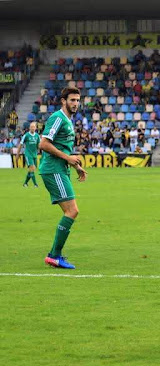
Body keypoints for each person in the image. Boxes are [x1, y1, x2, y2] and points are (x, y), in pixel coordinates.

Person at [38, 87, 88, 269]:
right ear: (63, 101)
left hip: (61, 169)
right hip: (54, 170)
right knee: (72, 211)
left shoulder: (67, 120)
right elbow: (43, 143)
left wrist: (76, 166)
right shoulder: (58, 118)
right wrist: (68, 158)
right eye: (72, 100)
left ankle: (55, 254)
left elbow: (63, 148)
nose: (75, 103)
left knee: (71, 211)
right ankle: (54, 255)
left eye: (77, 100)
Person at [17, 121, 40, 187]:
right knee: (32, 168)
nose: (32, 128)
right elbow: (20, 144)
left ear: (35, 128)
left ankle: (25, 183)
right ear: (29, 128)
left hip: (34, 154)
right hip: (28, 154)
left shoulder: (37, 136)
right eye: (31, 127)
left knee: (32, 170)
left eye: (34, 127)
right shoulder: (26, 135)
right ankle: (35, 184)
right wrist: (18, 154)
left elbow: (39, 145)